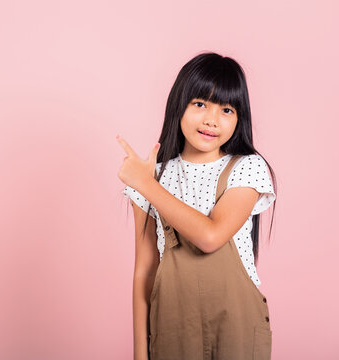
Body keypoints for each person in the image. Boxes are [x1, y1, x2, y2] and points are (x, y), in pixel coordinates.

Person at [116, 52, 278, 360]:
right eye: (200, 104)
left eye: (227, 109)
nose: (211, 120)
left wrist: (146, 184)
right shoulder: (156, 174)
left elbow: (210, 237)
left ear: (239, 118)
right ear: (180, 104)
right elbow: (145, 272)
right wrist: (140, 355)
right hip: (172, 327)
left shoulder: (247, 168)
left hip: (236, 326)